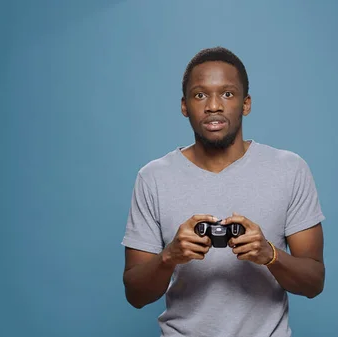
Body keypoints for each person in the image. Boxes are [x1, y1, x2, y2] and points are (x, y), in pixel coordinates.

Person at [122, 46, 326, 337]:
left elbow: (314, 283)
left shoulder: (290, 169)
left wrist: (269, 255)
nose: (213, 106)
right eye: (200, 94)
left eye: (227, 94)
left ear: (246, 104)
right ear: (184, 106)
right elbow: (135, 295)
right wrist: (170, 256)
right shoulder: (153, 177)